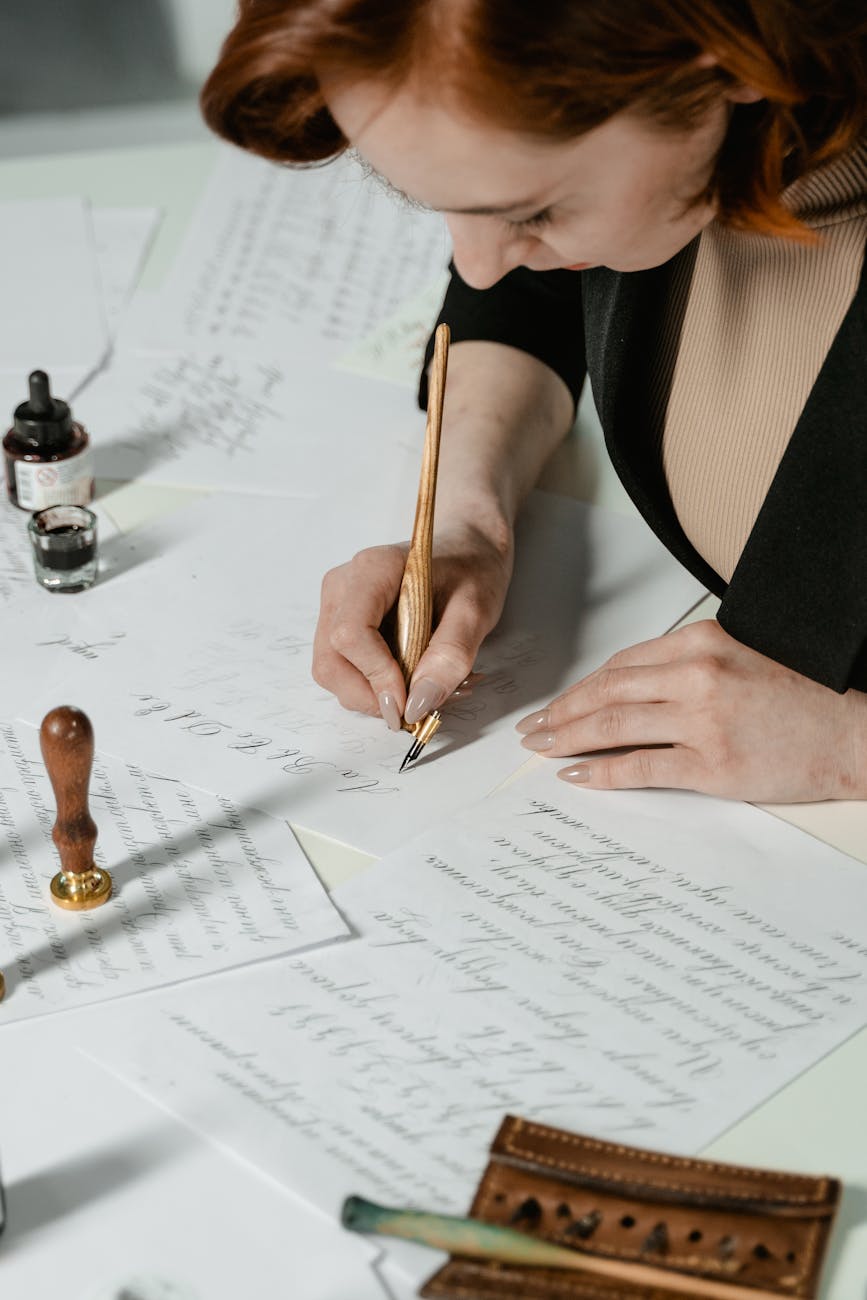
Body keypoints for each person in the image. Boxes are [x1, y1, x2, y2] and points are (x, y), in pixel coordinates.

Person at [201, 0, 867, 803]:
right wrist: (467, 518)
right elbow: (525, 295)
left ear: (724, 66)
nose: (475, 270)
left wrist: (847, 748)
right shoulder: (659, 142)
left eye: (532, 213)